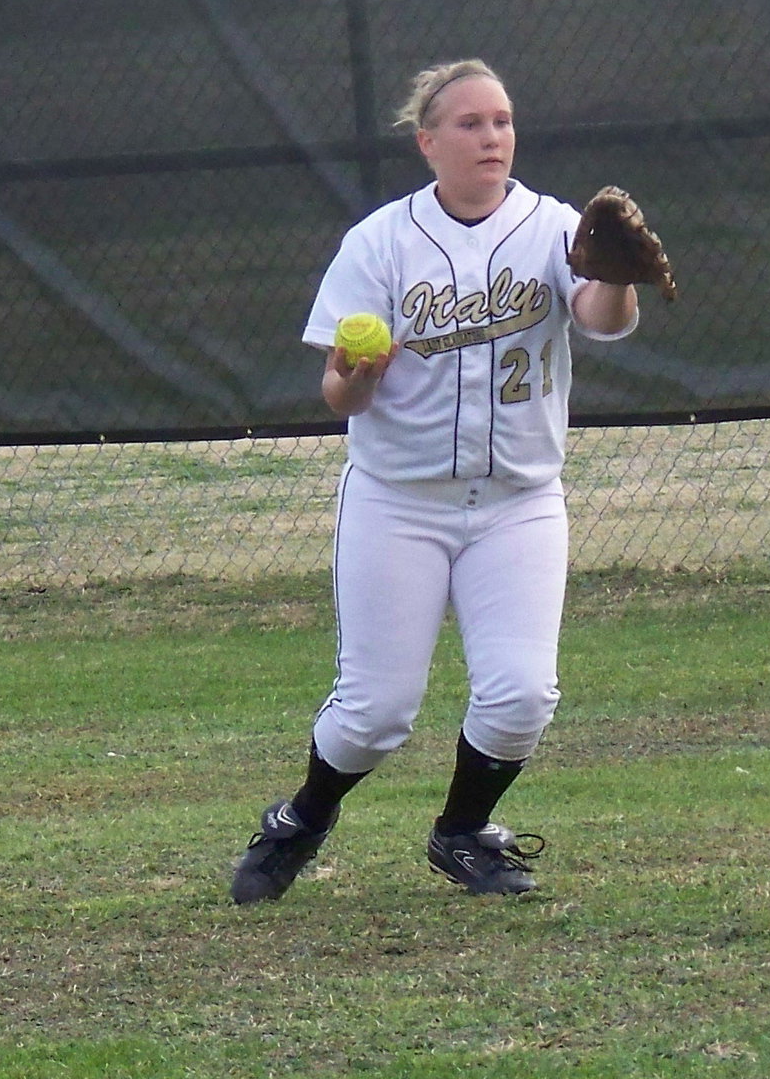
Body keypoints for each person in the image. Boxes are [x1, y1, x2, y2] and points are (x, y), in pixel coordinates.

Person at [230, 58, 639, 904]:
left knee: (522, 695)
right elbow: (340, 394)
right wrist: (356, 374)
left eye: (502, 120)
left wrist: (615, 275)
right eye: (469, 123)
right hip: (397, 502)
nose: (492, 136)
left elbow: (602, 323)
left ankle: (460, 836)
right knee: (374, 713)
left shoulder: (551, 227)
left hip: (517, 503)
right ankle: (300, 821)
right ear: (428, 142)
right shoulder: (380, 241)